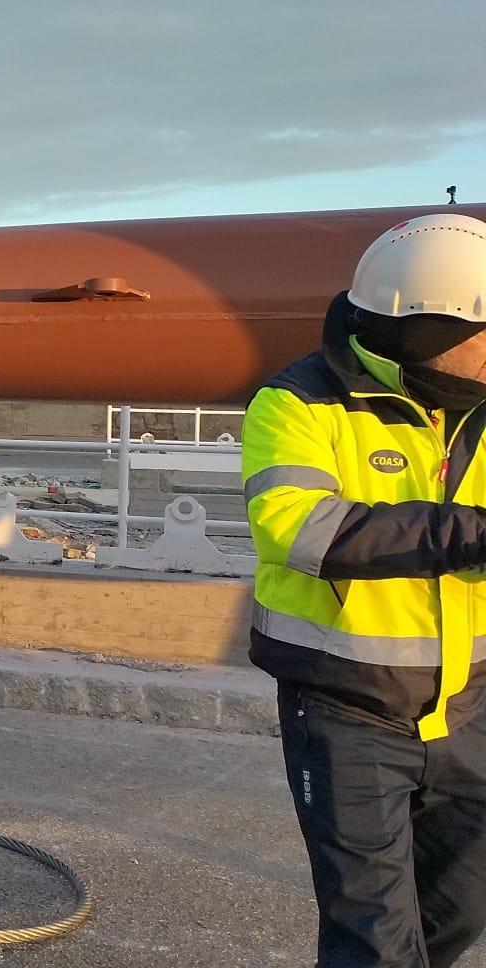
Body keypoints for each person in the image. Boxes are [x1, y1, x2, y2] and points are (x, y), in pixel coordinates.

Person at [243, 213, 486, 966]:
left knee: (461, 906)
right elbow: (301, 528)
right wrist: (471, 532)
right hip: (348, 713)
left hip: (471, 709)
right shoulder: (295, 405)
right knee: (372, 940)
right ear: (432, 335)